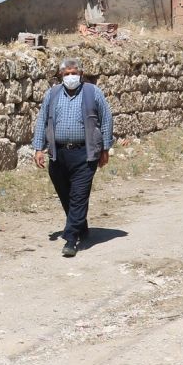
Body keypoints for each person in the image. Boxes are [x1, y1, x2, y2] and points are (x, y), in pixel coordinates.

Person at [32, 57, 114, 257]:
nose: (71, 77)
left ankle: (71, 238)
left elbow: (106, 119)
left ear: (81, 74)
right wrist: (38, 148)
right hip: (58, 153)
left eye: (74, 73)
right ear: (61, 75)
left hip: (84, 154)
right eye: (67, 74)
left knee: (78, 195)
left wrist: (105, 148)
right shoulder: (52, 94)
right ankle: (81, 227)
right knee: (65, 194)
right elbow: (42, 119)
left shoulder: (93, 93)